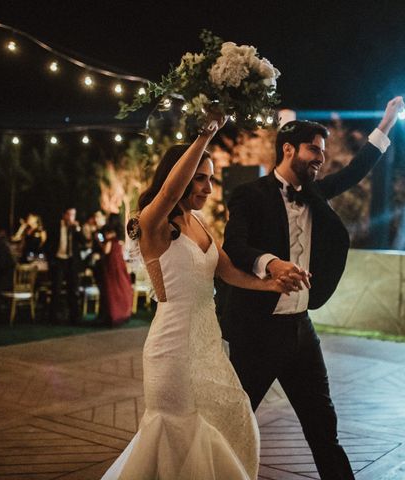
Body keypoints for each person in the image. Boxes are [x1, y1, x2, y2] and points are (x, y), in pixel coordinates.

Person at [101, 114, 302, 480]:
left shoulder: (198, 224)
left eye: (211, 178)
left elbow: (227, 272)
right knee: (182, 434)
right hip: (173, 347)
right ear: (178, 176)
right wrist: (206, 134)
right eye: (200, 178)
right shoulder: (153, 223)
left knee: (236, 414)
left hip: (207, 343)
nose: (208, 188)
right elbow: (167, 194)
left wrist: (270, 285)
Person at [222, 96, 404, 480]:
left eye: (323, 151)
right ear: (288, 149)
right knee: (233, 425)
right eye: (314, 150)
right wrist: (270, 263)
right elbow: (234, 247)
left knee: (324, 429)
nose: (321, 158)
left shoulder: (316, 191)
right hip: (257, 332)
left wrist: (385, 124)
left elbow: (357, 169)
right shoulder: (250, 195)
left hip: (302, 331)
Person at [47, 207, 85, 324]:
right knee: (56, 289)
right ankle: (53, 317)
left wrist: (77, 229)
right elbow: (48, 244)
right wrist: (51, 260)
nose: (71, 218)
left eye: (73, 215)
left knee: (73, 289)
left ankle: (74, 317)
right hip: (58, 260)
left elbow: (83, 242)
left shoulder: (74, 228)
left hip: (71, 261)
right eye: (69, 214)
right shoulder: (55, 226)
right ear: (64, 215)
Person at [97, 220, 132, 326]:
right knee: (121, 289)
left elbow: (106, 252)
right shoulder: (119, 242)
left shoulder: (109, 242)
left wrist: (99, 243)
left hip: (111, 269)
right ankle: (122, 313)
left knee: (111, 292)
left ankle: (112, 315)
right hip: (119, 269)